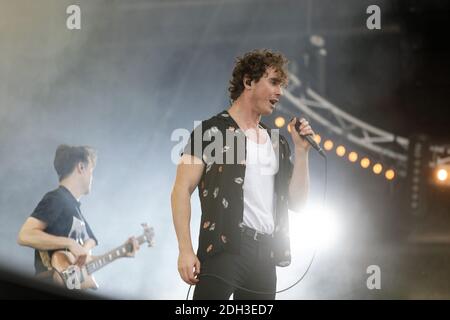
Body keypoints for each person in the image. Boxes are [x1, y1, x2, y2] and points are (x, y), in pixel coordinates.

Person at [171, 49, 315, 300]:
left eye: (281, 85)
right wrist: (185, 249)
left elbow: (299, 203)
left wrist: (302, 153)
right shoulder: (213, 131)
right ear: (248, 82)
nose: (279, 92)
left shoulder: (275, 141)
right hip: (226, 248)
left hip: (266, 253)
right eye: (273, 82)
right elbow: (181, 190)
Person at [17, 144, 139, 282]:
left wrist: (121, 252)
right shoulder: (56, 198)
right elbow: (25, 235)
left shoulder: (77, 213)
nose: (92, 178)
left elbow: (85, 262)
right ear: (81, 167)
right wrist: (69, 243)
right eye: (91, 171)